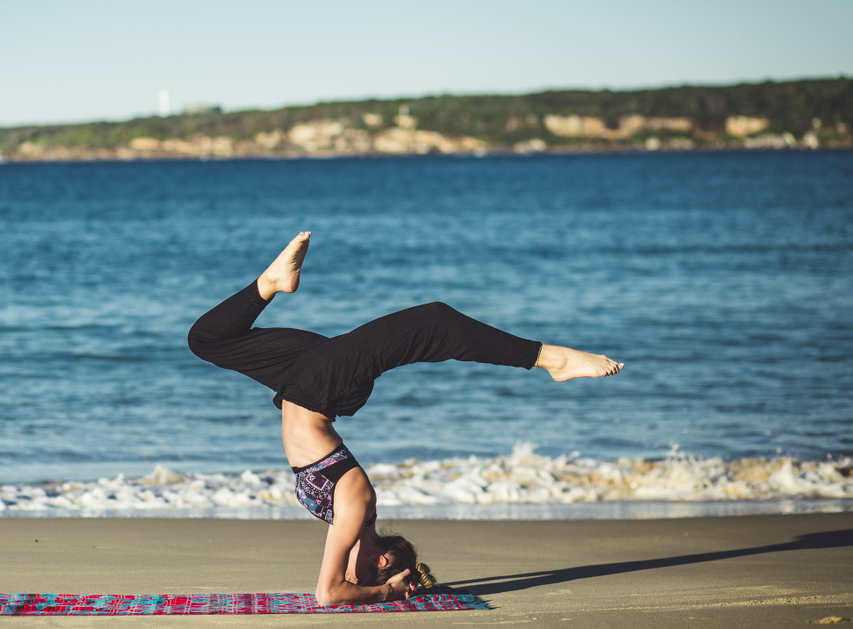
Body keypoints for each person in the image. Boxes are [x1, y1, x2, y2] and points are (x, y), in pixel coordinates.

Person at [187, 232, 623, 606]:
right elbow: (329, 593)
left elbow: (333, 588)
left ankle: (272, 282)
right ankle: (553, 359)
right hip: (323, 388)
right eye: (358, 573)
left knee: (207, 340)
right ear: (381, 559)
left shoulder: (346, 520)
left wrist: (395, 585)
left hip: (300, 381)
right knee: (435, 319)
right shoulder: (356, 505)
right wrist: (387, 592)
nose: (346, 571)